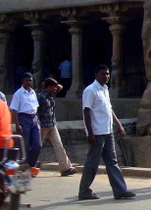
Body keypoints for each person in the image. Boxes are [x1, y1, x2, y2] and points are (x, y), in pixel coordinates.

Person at [78, 65, 135, 200]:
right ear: (97, 75)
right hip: (97, 132)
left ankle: (120, 190)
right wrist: (90, 133)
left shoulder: (104, 90)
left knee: (112, 162)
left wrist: (118, 124)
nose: (106, 77)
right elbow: (86, 111)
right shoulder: (90, 90)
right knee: (92, 163)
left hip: (107, 131)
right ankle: (84, 191)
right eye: (103, 74)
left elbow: (109, 109)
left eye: (108, 74)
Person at [36, 78, 76, 176]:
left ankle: (65, 168)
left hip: (52, 124)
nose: (55, 88)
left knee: (59, 145)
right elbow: (35, 110)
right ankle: (31, 166)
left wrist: (55, 84)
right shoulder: (40, 96)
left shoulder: (51, 95)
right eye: (53, 86)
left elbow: (60, 87)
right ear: (48, 87)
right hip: (43, 125)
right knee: (37, 146)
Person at [9, 72, 42, 168]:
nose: (29, 82)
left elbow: (35, 107)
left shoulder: (33, 93)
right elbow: (14, 109)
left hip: (33, 118)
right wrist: (17, 124)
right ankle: (24, 165)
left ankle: (31, 164)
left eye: (30, 81)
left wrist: (37, 119)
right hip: (23, 118)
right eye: (27, 80)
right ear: (23, 81)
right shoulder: (18, 93)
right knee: (25, 145)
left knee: (37, 145)